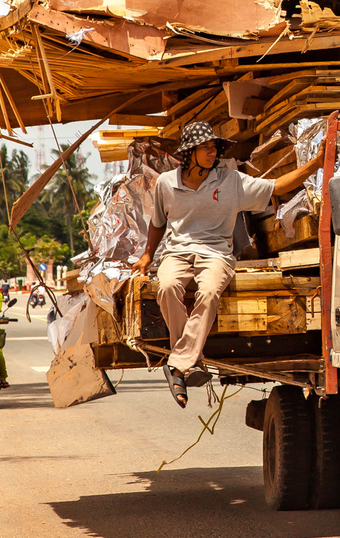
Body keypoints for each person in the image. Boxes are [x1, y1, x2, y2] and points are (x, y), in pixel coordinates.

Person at [130, 121, 325, 408]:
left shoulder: (231, 181)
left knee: (209, 293)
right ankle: (186, 360)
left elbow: (278, 186)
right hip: (177, 252)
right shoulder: (165, 184)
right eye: (207, 148)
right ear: (189, 152)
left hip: (216, 253)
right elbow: (158, 223)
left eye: (214, 148)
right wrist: (147, 255)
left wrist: (316, 164)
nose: (213, 152)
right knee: (168, 287)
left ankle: (178, 364)